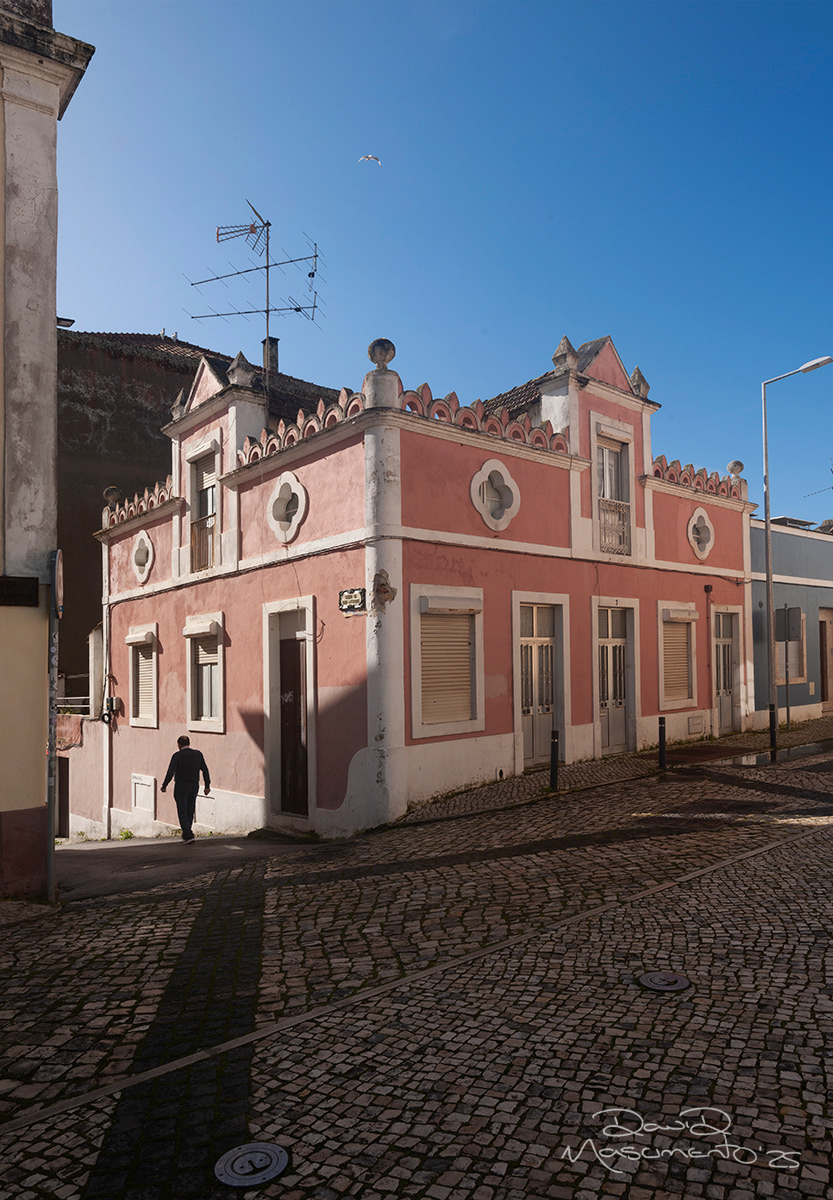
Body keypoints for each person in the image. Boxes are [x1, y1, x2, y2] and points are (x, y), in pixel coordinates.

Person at [161, 735, 211, 843]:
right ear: (189, 743)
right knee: (190, 809)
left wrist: (164, 785)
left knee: (182, 810)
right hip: (194, 786)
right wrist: (207, 785)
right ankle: (187, 833)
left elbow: (170, 772)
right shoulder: (198, 754)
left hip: (181, 786)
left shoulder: (177, 756)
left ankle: (188, 835)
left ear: (179, 744)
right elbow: (205, 770)